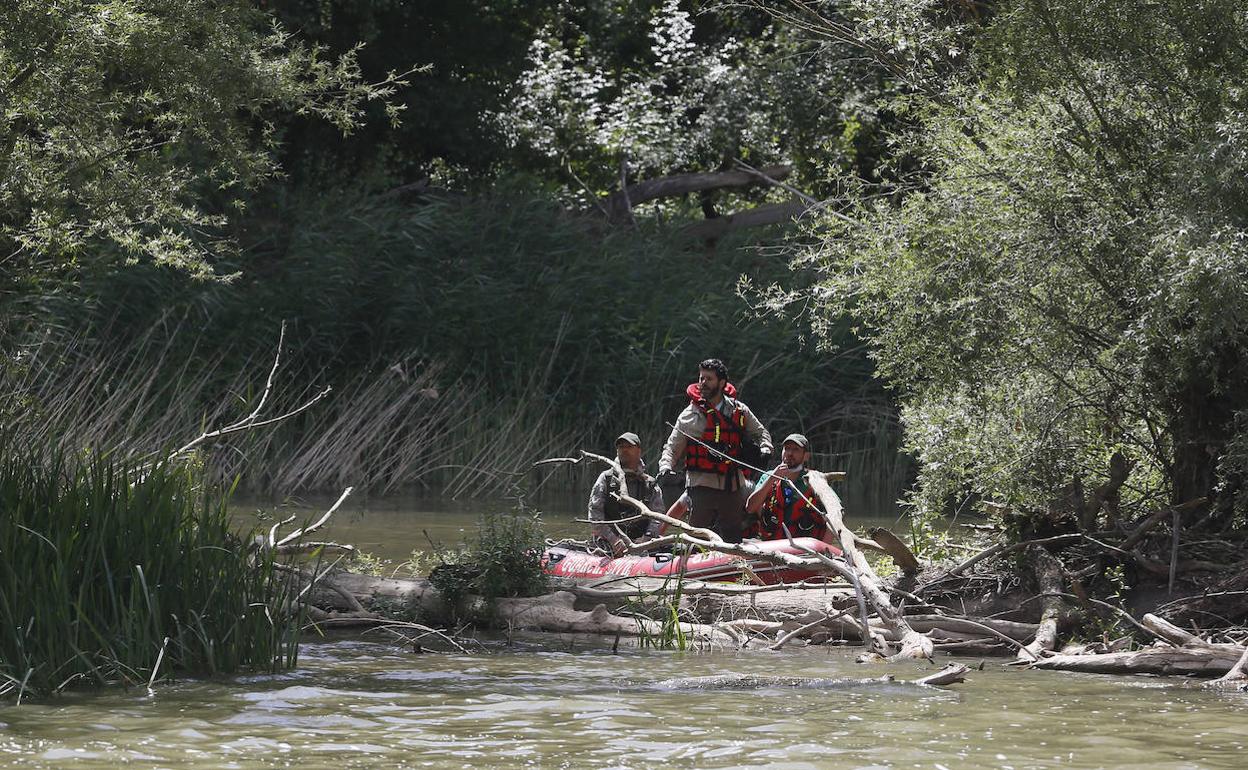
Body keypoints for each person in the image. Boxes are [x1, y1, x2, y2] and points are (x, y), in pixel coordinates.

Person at [658, 358, 771, 543]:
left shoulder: (739, 410)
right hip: (700, 484)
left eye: (709, 379)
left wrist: (766, 448)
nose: (703, 383)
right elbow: (672, 447)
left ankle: (735, 568)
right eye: (701, 378)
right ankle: (689, 567)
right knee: (697, 536)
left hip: (732, 485)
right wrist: (665, 467)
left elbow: (760, 432)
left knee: (733, 535)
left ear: (722, 382)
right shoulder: (689, 415)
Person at [587, 432, 665, 556]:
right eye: (621, 447)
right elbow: (595, 515)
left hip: (642, 543)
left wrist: (647, 539)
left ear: (639, 451)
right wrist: (613, 540)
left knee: (675, 547)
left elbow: (658, 516)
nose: (624, 450)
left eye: (629, 447)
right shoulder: (605, 479)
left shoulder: (650, 484)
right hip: (609, 543)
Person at [744, 433, 830, 542]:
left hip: (805, 549)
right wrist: (772, 478)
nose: (789, 453)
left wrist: (826, 548)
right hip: (772, 546)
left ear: (806, 456)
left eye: (796, 449)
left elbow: (836, 515)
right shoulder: (768, 476)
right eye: (787, 448)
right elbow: (750, 508)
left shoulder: (815, 479)